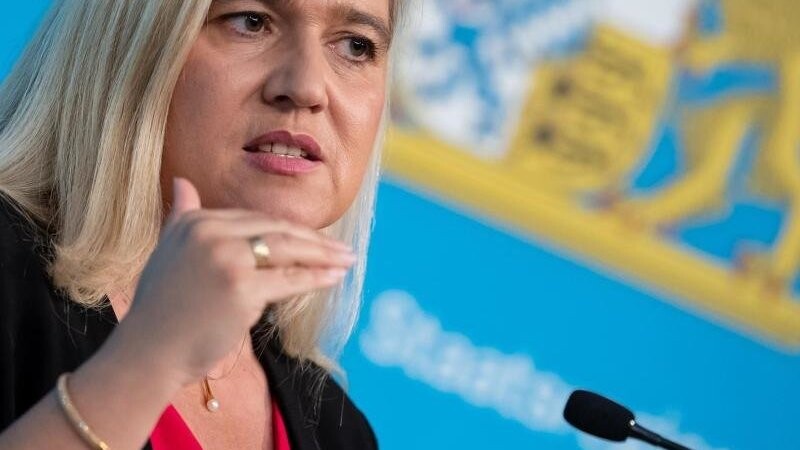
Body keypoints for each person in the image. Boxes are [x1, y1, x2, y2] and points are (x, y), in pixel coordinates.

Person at [0, 0, 403, 448]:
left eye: (355, 46)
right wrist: (151, 357)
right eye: (251, 22)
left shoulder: (339, 431)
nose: (307, 86)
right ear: (130, 37)